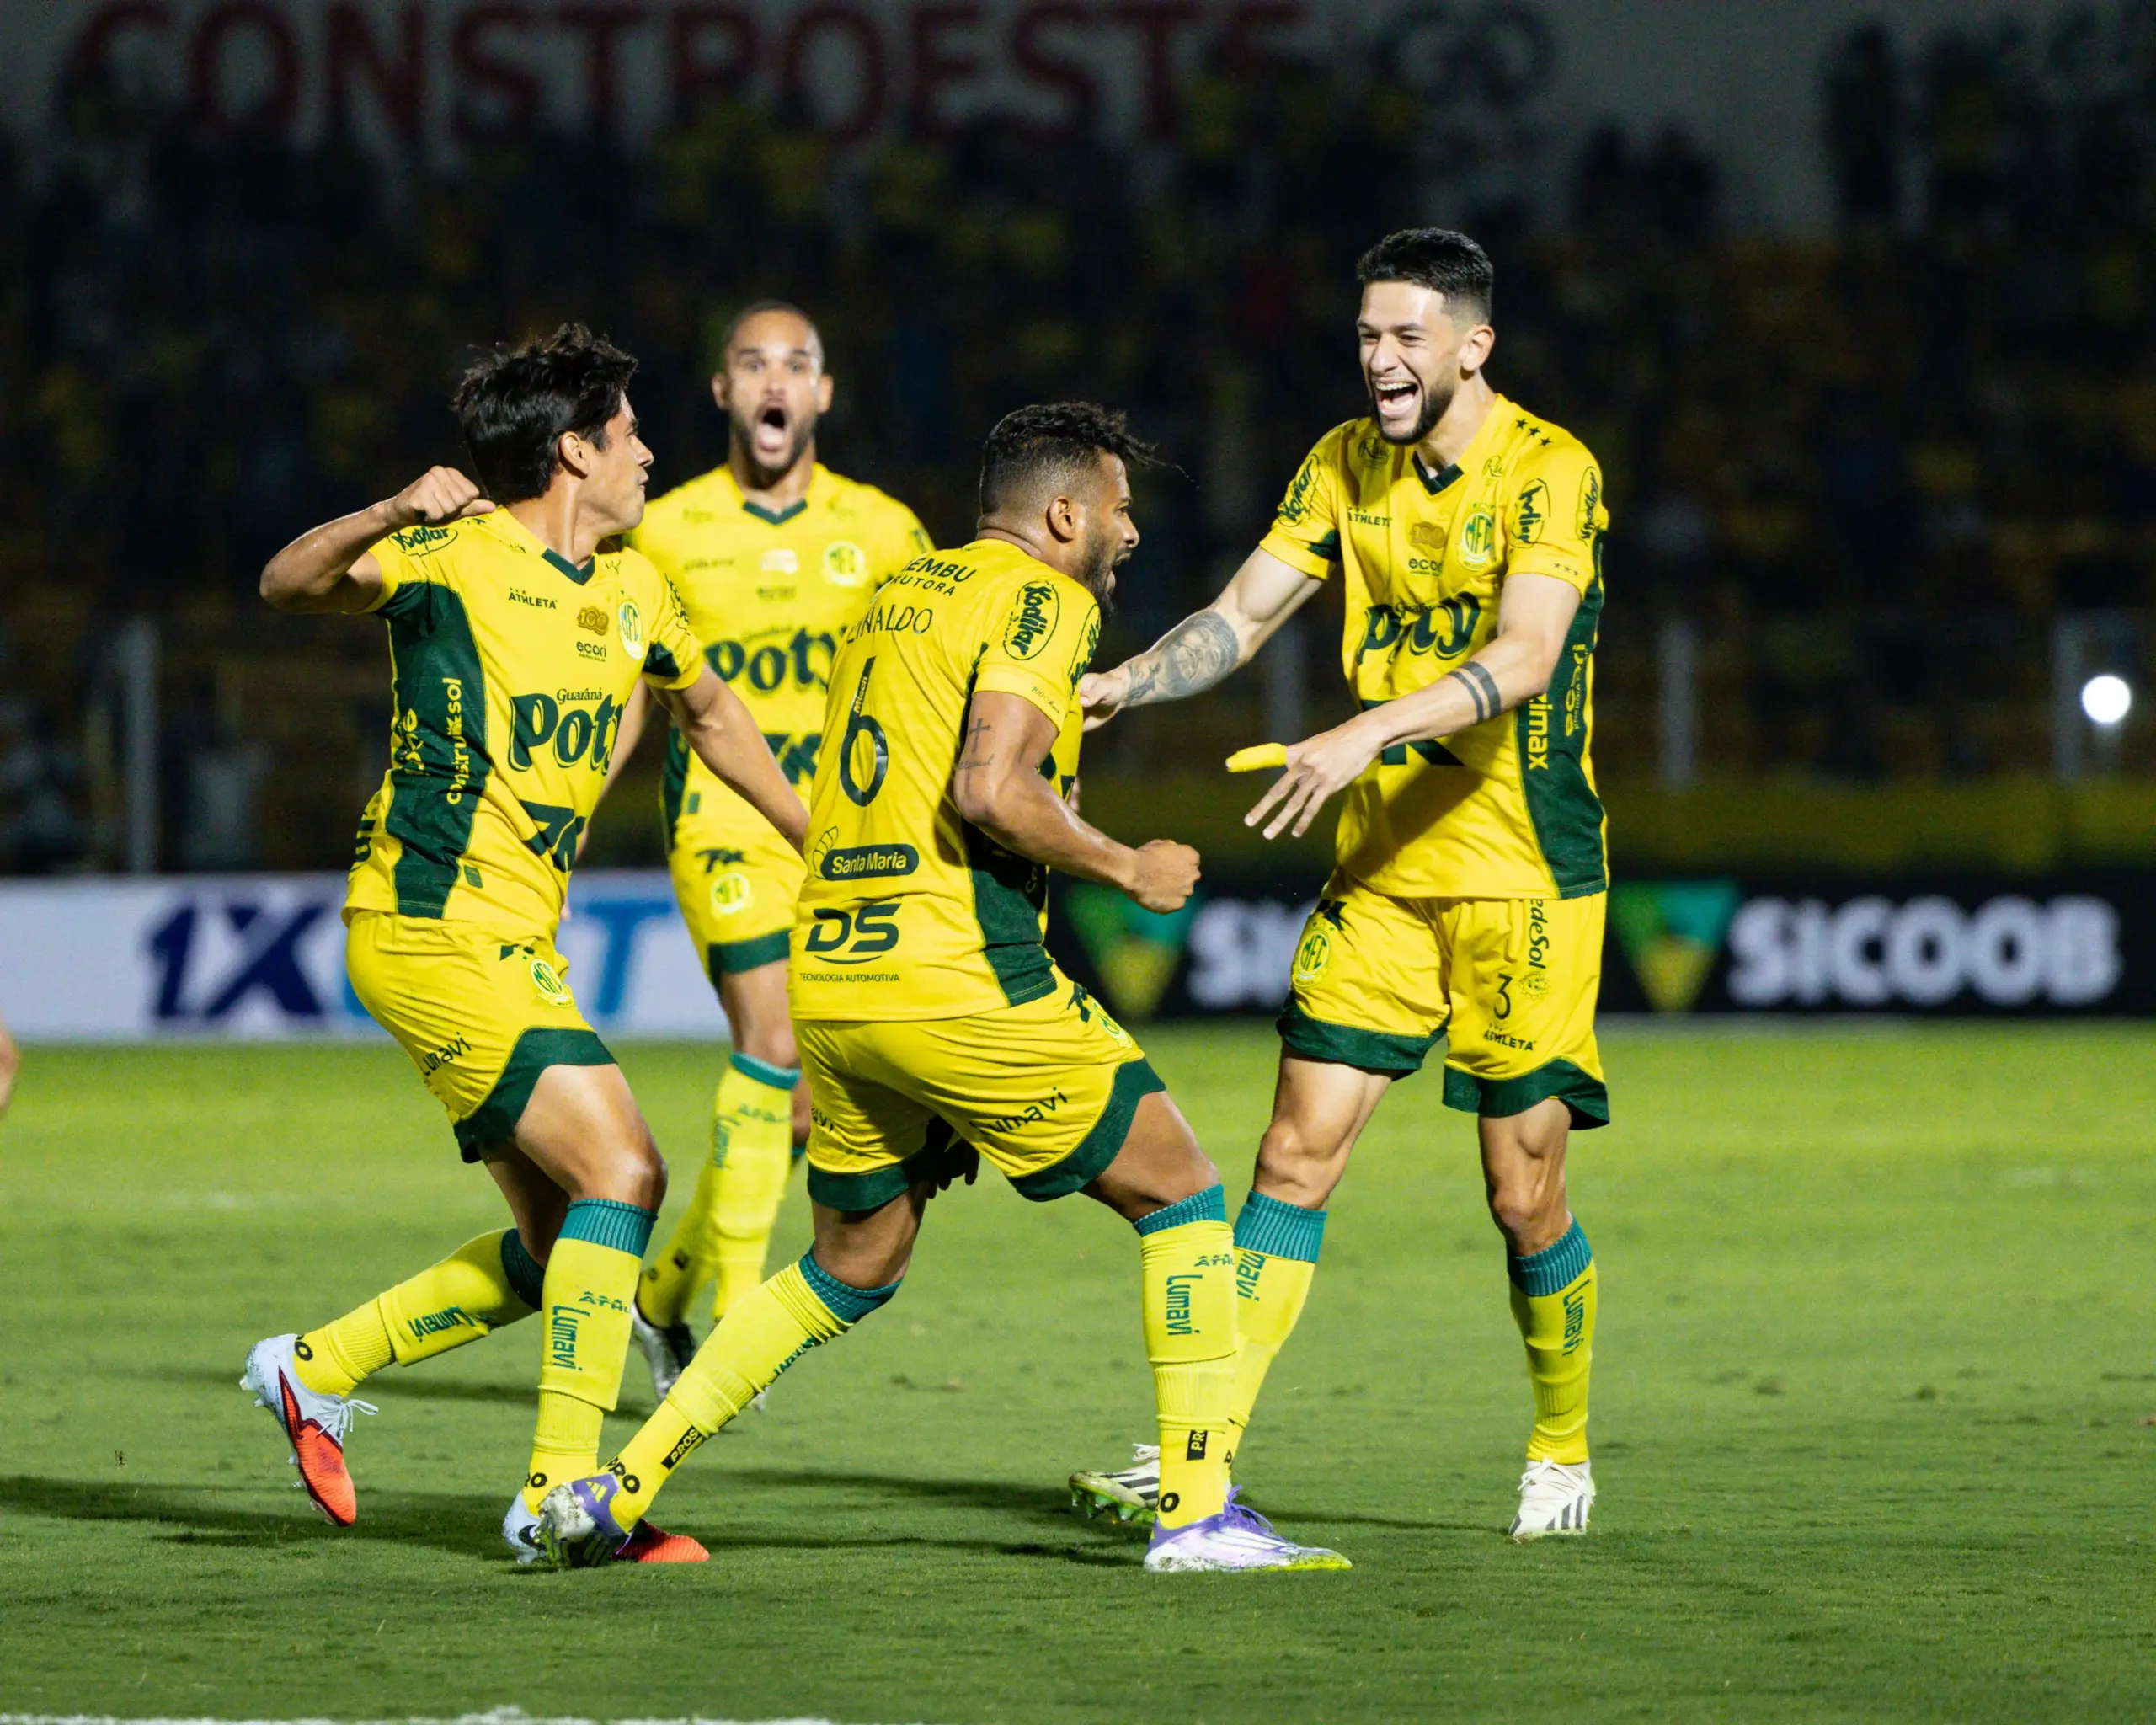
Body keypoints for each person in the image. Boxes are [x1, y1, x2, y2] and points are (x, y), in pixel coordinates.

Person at [535, 403, 1348, 1573]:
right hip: (957, 968)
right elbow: (989, 788)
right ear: (1063, 515)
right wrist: (1128, 866)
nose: (1129, 533)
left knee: (852, 1263)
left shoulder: (895, 593)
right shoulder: (1044, 601)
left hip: (834, 971)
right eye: (1118, 510)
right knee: (1183, 1194)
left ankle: (617, 1489)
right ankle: (1198, 1510)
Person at [1069, 230, 1611, 1541]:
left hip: (1522, 880)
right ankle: (1202, 1454)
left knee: (1521, 1195)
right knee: (1291, 1159)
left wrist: (1368, 729)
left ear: (1474, 345)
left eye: (1407, 337)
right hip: (1379, 876)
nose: (1380, 360)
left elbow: (1528, 654)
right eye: (1367, 336)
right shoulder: (1341, 462)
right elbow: (1242, 616)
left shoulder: (1550, 470)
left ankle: (1560, 1447)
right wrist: (1123, 682)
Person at [243, 323, 807, 1563]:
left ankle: (314, 1367)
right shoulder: (448, 555)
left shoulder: (638, 588)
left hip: (512, 939)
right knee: (628, 1173)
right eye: (630, 434)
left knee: (567, 1251)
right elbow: (286, 584)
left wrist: (818, 837)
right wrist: (390, 507)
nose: (650, 455)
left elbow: (712, 714)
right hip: (431, 926)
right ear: (574, 451)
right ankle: (561, 1498)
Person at [611, 302, 931, 1397]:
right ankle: (740, 1319)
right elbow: (626, 690)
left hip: (843, 833)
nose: (774, 381)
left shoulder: (884, 531)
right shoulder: (664, 530)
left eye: (796, 364)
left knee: (799, 1102)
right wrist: (566, 813)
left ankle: (663, 1300)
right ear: (722, 391)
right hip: (723, 821)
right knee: (776, 1038)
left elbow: (930, 672)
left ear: (824, 393)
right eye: (753, 364)